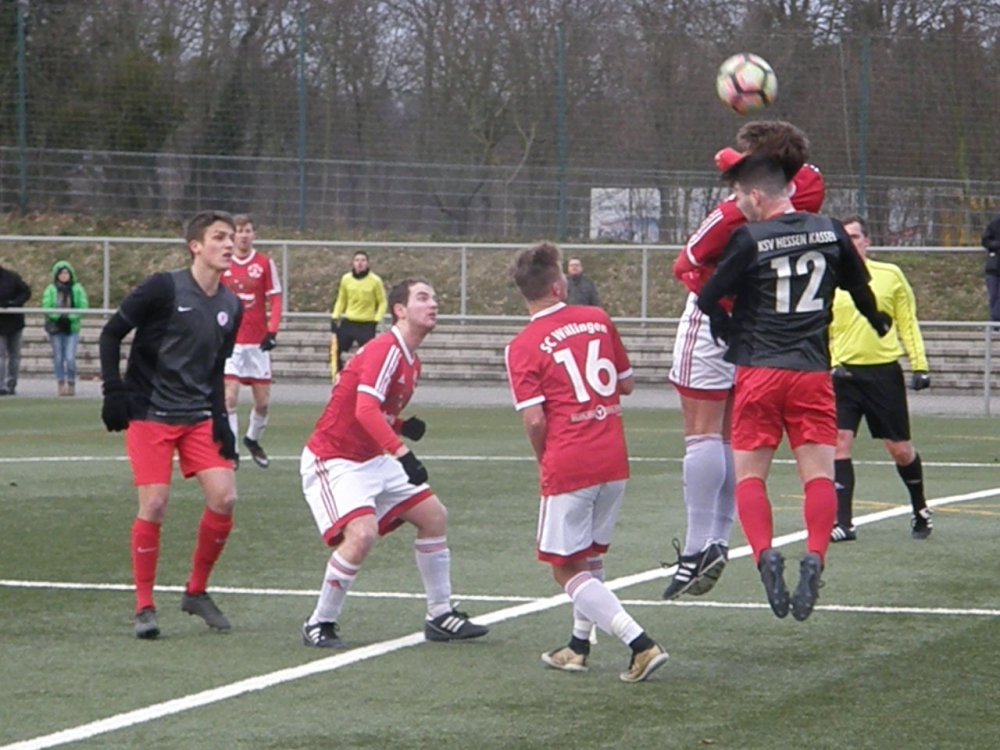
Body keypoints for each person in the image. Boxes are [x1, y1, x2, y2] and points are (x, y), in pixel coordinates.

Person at [696, 125, 892, 622]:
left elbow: (707, 296)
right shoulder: (830, 229)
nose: (739, 204)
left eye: (740, 196)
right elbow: (860, 288)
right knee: (819, 475)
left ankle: (764, 556)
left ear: (757, 196)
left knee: (750, 477)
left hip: (759, 370)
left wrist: (727, 326)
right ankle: (815, 558)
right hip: (811, 371)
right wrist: (877, 320)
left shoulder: (748, 238)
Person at [662, 122, 826, 601]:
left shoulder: (733, 211)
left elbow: (687, 260)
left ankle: (696, 548)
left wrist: (712, 292)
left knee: (702, 431)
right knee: (738, 437)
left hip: (719, 316)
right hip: (769, 325)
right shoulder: (809, 187)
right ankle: (719, 538)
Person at [505, 241, 668, 683]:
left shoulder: (522, 345)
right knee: (589, 557)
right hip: (613, 456)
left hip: (571, 460)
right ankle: (578, 647)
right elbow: (626, 385)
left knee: (564, 568)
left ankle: (640, 643)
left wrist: (544, 458)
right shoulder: (597, 318)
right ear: (559, 286)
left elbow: (534, 419)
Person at [300, 277, 488, 649]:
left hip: (370, 456)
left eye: (435, 297)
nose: (433, 304)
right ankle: (319, 622)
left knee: (433, 516)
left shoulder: (411, 360)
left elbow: (371, 409)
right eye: (423, 298)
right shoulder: (387, 349)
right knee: (362, 534)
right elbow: (364, 409)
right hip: (335, 459)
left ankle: (440, 615)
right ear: (400, 310)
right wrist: (402, 452)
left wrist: (401, 425)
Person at [99, 209, 243, 639]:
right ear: (195, 246)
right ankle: (145, 606)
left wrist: (222, 421)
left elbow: (216, 367)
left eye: (232, 237)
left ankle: (196, 592)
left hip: (198, 416)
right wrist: (113, 391)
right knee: (156, 503)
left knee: (225, 497)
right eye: (219, 237)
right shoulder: (163, 287)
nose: (229, 244)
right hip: (150, 413)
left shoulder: (231, 305)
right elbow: (111, 333)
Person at [829, 215, 932, 541]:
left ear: (867, 241)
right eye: (844, 238)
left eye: (854, 237)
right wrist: (830, 362)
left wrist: (920, 365)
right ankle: (843, 523)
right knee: (838, 443)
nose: (849, 243)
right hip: (844, 374)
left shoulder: (890, 275)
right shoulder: (830, 277)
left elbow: (907, 322)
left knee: (899, 449)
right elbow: (823, 326)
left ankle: (920, 509)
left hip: (883, 373)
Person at [220, 214, 283, 469]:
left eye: (247, 231)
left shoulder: (264, 263)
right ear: (233, 235)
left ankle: (252, 440)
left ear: (254, 234)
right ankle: (232, 451)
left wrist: (272, 331)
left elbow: (275, 299)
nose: (243, 235)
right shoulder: (223, 263)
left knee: (263, 403)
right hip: (231, 343)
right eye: (239, 231)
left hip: (257, 344)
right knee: (229, 398)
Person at [330, 251, 387, 377]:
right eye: (357, 260)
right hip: (349, 321)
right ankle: (339, 376)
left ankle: (367, 377)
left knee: (368, 354)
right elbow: (342, 299)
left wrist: (376, 320)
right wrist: (335, 316)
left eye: (363, 260)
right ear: (352, 263)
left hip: (366, 323)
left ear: (368, 263)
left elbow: (382, 302)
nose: (360, 263)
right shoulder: (346, 279)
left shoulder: (375, 281)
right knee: (338, 350)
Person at [41, 261, 89, 396]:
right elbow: (46, 307)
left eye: (66, 273)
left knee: (70, 357)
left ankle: (71, 381)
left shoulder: (77, 289)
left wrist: (70, 317)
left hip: (71, 328)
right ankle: (61, 382)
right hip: (56, 328)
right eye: (61, 273)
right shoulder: (51, 290)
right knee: (58, 357)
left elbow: (83, 307)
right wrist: (58, 317)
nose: (64, 275)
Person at [0, 261, 32, 396]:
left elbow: (25, 292)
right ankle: (1, 385)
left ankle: (11, 384)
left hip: (15, 323)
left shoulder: (12, 277)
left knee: (14, 356)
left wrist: (14, 303)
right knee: (1, 355)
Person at [982, 216, 1000, 322]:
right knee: (993, 296)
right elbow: (985, 241)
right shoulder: (995, 224)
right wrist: (996, 245)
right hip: (994, 267)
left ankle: (994, 321)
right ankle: (995, 323)